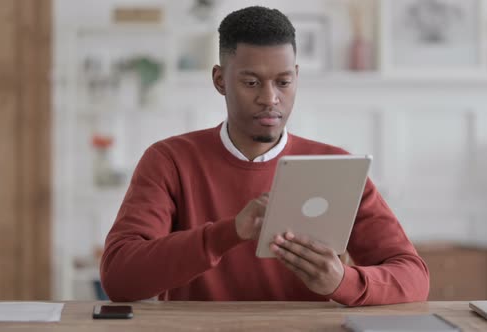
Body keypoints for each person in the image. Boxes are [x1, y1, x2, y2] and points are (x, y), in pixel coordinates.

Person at [100, 6, 429, 306]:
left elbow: (413, 277)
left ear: (296, 78)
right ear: (220, 80)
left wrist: (344, 282)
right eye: (252, 82)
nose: (269, 98)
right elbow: (119, 278)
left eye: (283, 82)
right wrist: (229, 233)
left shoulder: (335, 166)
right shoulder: (169, 160)